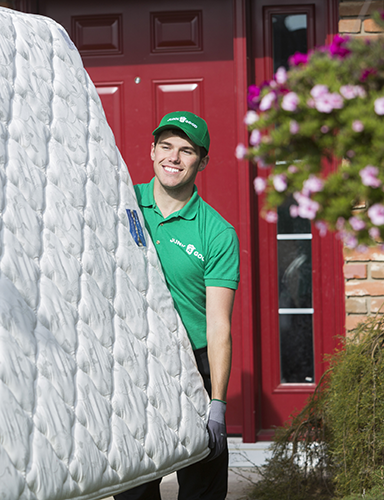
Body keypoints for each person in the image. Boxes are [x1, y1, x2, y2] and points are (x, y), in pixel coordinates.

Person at [116, 111, 240, 500]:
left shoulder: (217, 232)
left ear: (202, 161)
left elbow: (219, 323)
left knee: (202, 488)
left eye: (187, 150)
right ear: (152, 151)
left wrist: (217, 401)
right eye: (166, 146)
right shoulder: (122, 204)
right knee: (134, 486)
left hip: (194, 363)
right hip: (133, 360)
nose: (174, 157)